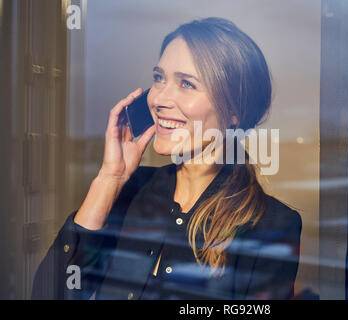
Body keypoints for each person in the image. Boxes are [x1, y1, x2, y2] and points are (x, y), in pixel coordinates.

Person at [31, 17, 302, 300]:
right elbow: (48, 294)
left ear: (234, 110)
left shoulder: (272, 224)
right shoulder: (128, 191)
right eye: (159, 78)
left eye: (186, 84)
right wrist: (109, 180)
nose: (159, 98)